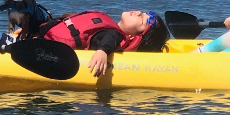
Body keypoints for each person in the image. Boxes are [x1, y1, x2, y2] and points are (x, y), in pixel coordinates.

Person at [36, 9, 170, 76]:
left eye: (142, 20)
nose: (139, 13)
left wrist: (102, 51)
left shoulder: (114, 35)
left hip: (47, 46)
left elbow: (110, 39)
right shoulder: (108, 26)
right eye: (143, 13)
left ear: (132, 37)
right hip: (44, 36)